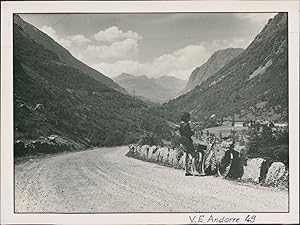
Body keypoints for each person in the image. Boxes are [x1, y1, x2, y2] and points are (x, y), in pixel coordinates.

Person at [179, 112, 200, 176]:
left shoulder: (181, 125)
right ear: (186, 118)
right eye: (189, 117)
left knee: (185, 154)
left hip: (182, 140)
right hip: (187, 141)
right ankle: (195, 171)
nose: (189, 118)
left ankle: (186, 170)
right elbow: (188, 133)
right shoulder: (186, 125)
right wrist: (192, 132)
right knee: (194, 155)